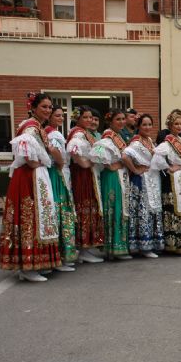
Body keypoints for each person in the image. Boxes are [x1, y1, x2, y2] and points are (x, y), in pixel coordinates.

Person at [0, 93, 62, 282]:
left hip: (36, 176)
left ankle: (35, 263)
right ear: (33, 108)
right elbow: (28, 157)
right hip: (28, 177)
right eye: (44, 106)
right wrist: (38, 164)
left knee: (39, 217)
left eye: (50, 107)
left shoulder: (38, 128)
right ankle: (27, 267)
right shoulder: (30, 128)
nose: (48, 110)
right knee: (29, 217)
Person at [152, 110, 181, 254]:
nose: (179, 126)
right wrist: (169, 167)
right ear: (170, 126)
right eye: (176, 124)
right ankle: (174, 243)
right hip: (174, 179)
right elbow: (157, 157)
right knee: (175, 209)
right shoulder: (167, 142)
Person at [90, 109, 132, 260]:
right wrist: (109, 165)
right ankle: (113, 248)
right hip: (113, 177)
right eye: (118, 119)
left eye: (123, 119)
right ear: (110, 121)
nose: (122, 122)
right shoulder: (107, 137)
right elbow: (96, 152)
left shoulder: (118, 136)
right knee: (114, 209)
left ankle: (119, 247)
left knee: (121, 209)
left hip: (121, 175)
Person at [67, 106, 105, 264]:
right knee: (85, 207)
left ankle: (86, 248)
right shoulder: (78, 133)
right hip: (82, 175)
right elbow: (73, 152)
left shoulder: (85, 133)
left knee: (90, 208)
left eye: (91, 117)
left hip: (88, 174)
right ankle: (83, 248)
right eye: (86, 117)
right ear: (78, 118)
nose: (89, 120)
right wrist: (85, 163)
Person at [123, 114, 164, 258]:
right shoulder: (136, 142)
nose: (147, 127)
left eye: (149, 124)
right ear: (139, 126)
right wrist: (135, 170)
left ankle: (151, 244)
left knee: (152, 211)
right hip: (142, 181)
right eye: (144, 125)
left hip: (152, 179)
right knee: (143, 211)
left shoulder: (149, 141)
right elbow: (125, 156)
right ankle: (143, 246)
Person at [44, 104, 77, 270]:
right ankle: (60, 256)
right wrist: (61, 162)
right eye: (57, 115)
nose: (60, 118)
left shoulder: (49, 132)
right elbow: (55, 152)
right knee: (62, 212)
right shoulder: (53, 133)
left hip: (56, 173)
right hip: (58, 174)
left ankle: (58, 256)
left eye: (61, 115)